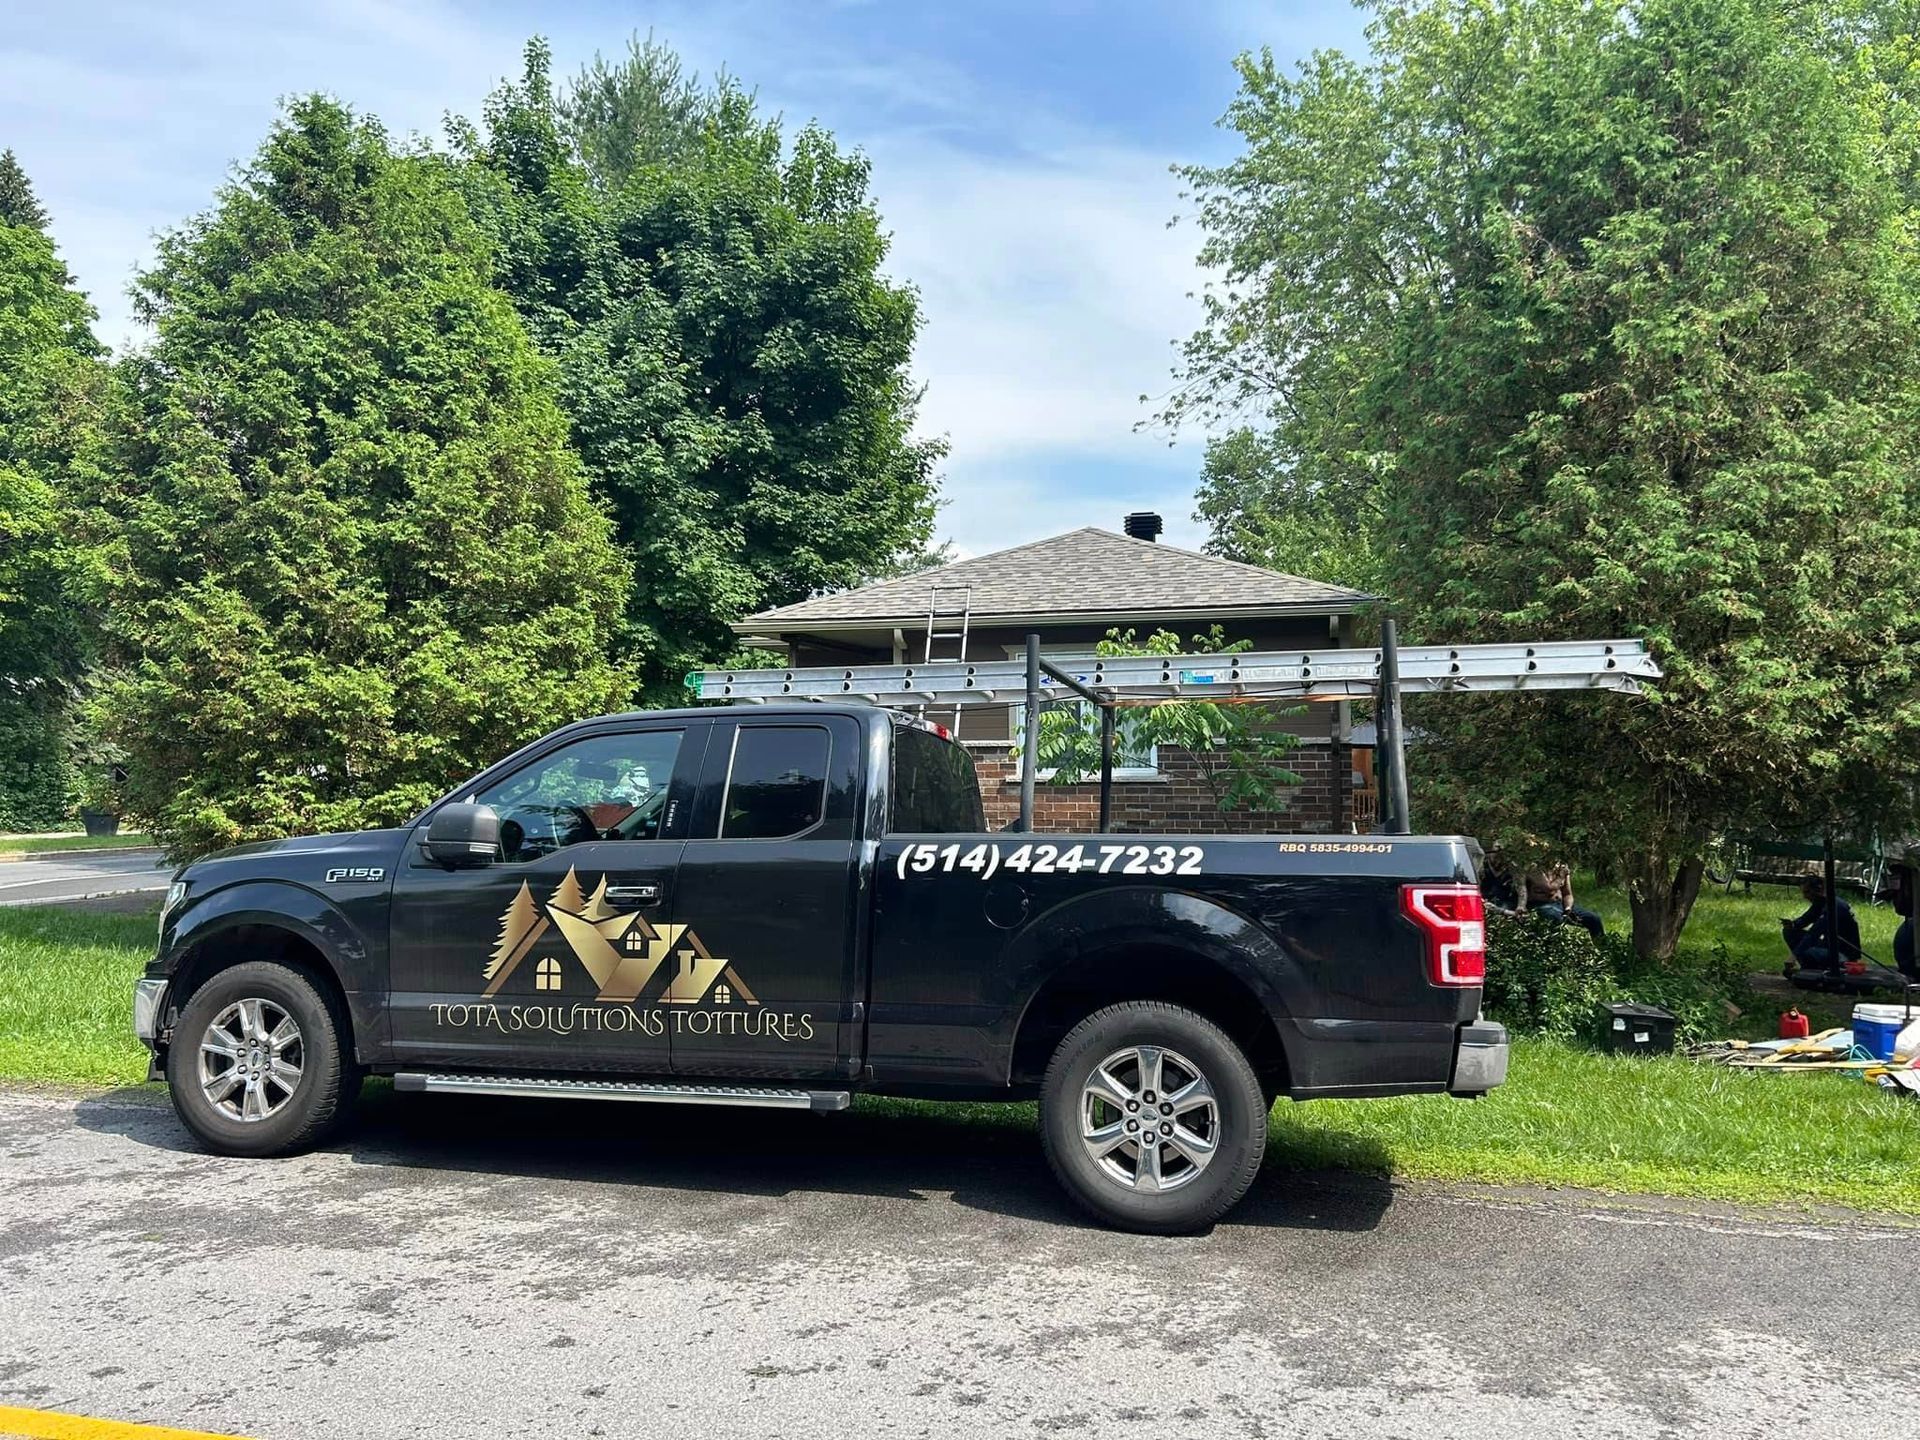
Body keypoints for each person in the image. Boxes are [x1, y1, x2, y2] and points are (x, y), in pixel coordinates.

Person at [1781, 874, 1861, 972]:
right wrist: (1793, 924)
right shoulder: (1820, 903)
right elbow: (1805, 919)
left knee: (1807, 951)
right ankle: (1809, 968)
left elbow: (1814, 933)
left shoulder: (1834, 906)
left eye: (1807, 892)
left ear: (1818, 890)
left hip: (1843, 953)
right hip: (1829, 946)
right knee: (1789, 932)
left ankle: (1811, 970)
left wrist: (1794, 956)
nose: (1805, 896)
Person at [1523, 861, 1606, 939]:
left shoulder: (1561, 866)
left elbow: (1567, 894)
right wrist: (1561, 876)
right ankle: (1554, 948)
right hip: (1539, 905)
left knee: (1594, 919)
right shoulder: (1532, 868)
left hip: (1560, 904)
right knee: (1554, 917)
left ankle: (1603, 948)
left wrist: (1568, 909)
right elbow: (1549, 888)